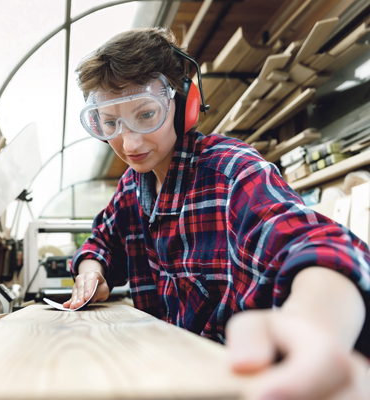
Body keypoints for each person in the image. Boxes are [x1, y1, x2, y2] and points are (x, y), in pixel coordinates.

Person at [62, 27, 370, 399]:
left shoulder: (231, 170)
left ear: (185, 104)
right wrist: (91, 273)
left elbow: (312, 243)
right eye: (110, 123)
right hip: (182, 375)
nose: (130, 143)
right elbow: (101, 241)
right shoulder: (132, 186)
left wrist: (315, 328)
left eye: (146, 115)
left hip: (251, 383)